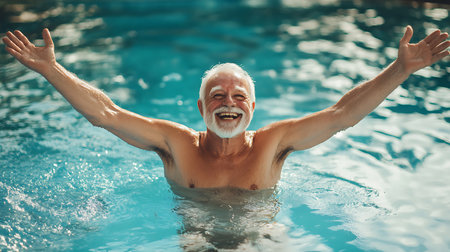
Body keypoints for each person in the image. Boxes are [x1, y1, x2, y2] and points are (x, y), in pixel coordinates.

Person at [2, 26, 449, 191]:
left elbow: (342, 114)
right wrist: (51, 70)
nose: (228, 103)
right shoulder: (176, 142)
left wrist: (400, 69)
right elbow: (107, 114)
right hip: (192, 238)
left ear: (253, 107)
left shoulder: (273, 143)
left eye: (238, 97)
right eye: (218, 95)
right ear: (201, 105)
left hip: (262, 238)